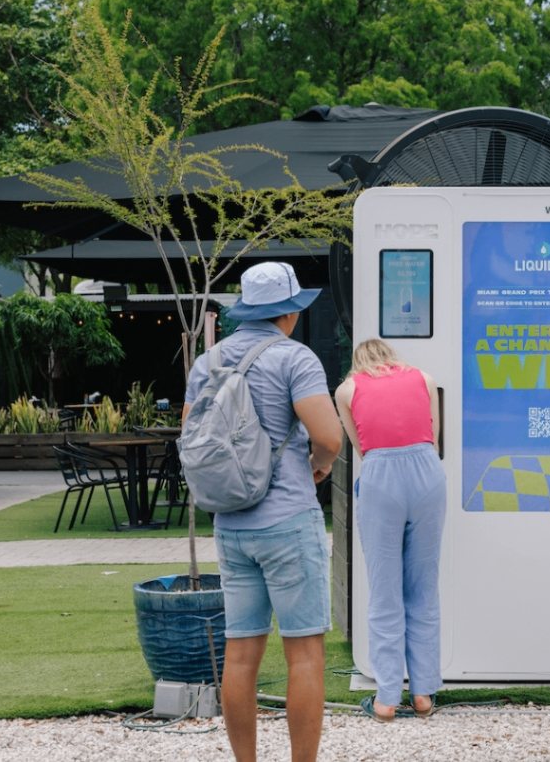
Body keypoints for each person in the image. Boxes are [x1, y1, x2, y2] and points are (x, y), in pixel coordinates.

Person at [182, 262, 342, 762]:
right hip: (288, 520)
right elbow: (329, 436)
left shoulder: (207, 361)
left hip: (231, 524)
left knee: (241, 653)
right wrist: (319, 466)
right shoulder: (296, 359)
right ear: (290, 312)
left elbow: (190, 434)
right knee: (304, 654)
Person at [334, 339, 445, 721]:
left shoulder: (346, 390)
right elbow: (434, 434)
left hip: (381, 475)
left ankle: (385, 698)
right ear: (391, 358)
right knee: (423, 588)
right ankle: (424, 694)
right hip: (428, 473)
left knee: (384, 591)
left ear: (358, 362)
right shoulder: (424, 379)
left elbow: (359, 446)